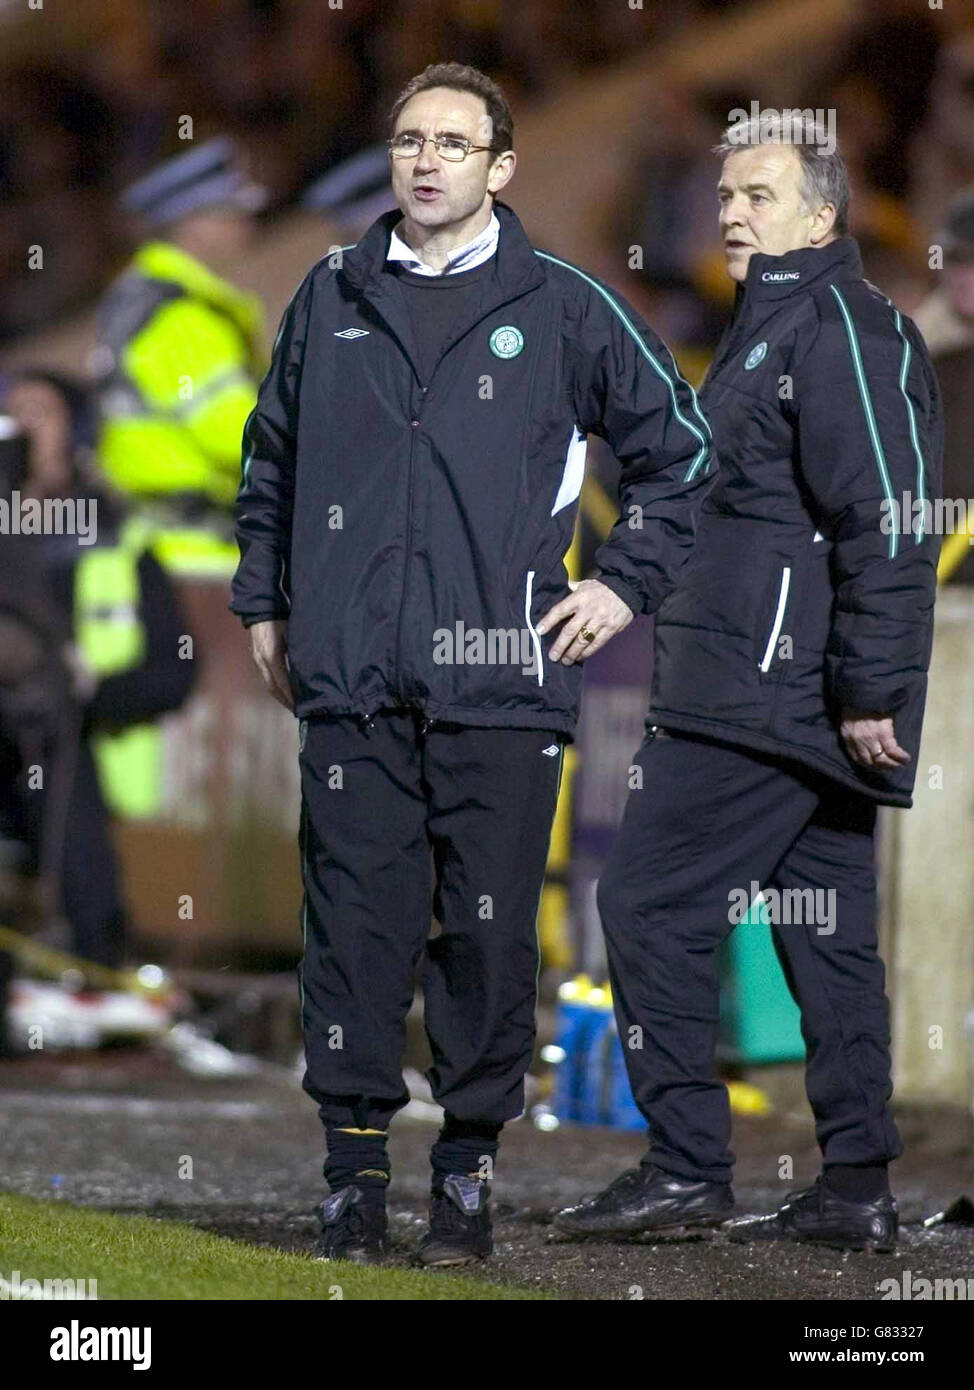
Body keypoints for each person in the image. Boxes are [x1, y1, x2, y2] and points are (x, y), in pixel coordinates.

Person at [231, 61, 715, 1266]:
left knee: (487, 937)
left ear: (501, 168)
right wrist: (263, 603)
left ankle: (464, 1172)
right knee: (352, 925)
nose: (426, 159)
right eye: (409, 140)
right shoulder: (329, 291)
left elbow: (683, 457)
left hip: (500, 678)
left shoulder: (563, 303)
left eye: (453, 142)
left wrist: (618, 583)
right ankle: (350, 1178)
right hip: (349, 674)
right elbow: (269, 462)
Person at [554, 114, 942, 1253]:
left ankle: (684, 1169)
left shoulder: (841, 328)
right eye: (723, 195)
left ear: (822, 214)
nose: (730, 213)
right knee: (824, 942)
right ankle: (855, 1187)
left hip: (766, 696)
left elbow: (888, 514)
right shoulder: (771, 326)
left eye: (759, 195)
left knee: (644, 903)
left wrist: (871, 687)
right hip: (771, 687)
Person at [0, 370, 196, 969]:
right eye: (14, 411)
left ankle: (92, 958)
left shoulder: (116, 538)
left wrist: (87, 694)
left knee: (59, 750)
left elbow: (175, 668)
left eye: (43, 412)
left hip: (80, 761)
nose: (25, 424)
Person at [94, 137, 267, 579]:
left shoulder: (145, 297)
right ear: (193, 225)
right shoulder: (178, 314)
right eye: (229, 211)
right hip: (207, 554)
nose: (246, 221)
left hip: (179, 544)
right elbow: (235, 433)